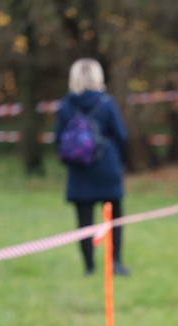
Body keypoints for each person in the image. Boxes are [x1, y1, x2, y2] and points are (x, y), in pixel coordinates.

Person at [55, 58, 130, 276]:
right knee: (115, 218)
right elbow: (122, 136)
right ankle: (115, 262)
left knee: (84, 221)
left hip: (79, 170)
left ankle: (89, 267)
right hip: (106, 168)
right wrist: (116, 159)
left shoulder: (65, 106)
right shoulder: (107, 104)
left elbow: (58, 140)